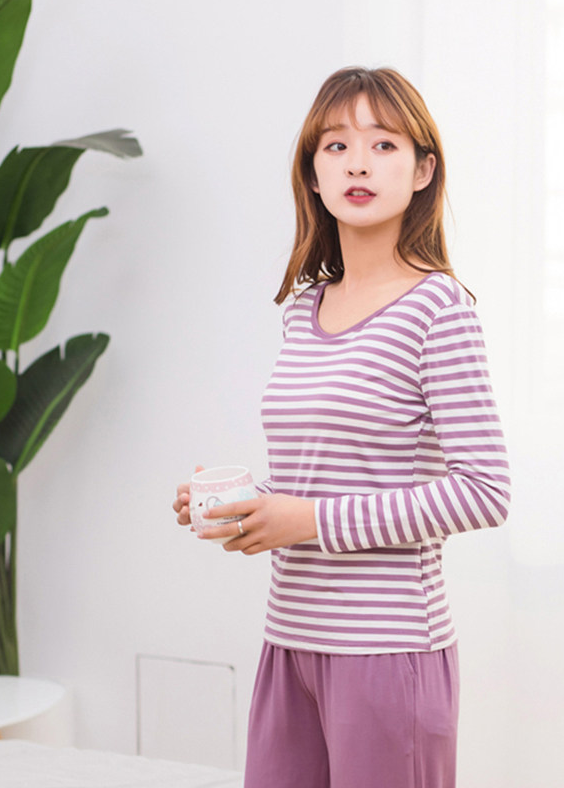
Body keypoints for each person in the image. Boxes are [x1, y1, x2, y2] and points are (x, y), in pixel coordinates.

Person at [173, 66, 511, 788]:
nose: (358, 163)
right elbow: (320, 477)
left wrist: (309, 521)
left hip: (387, 650)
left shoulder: (438, 309)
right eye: (336, 146)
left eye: (384, 145)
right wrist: (248, 508)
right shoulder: (304, 309)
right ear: (313, 172)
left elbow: (485, 491)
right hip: (290, 639)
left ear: (423, 171)